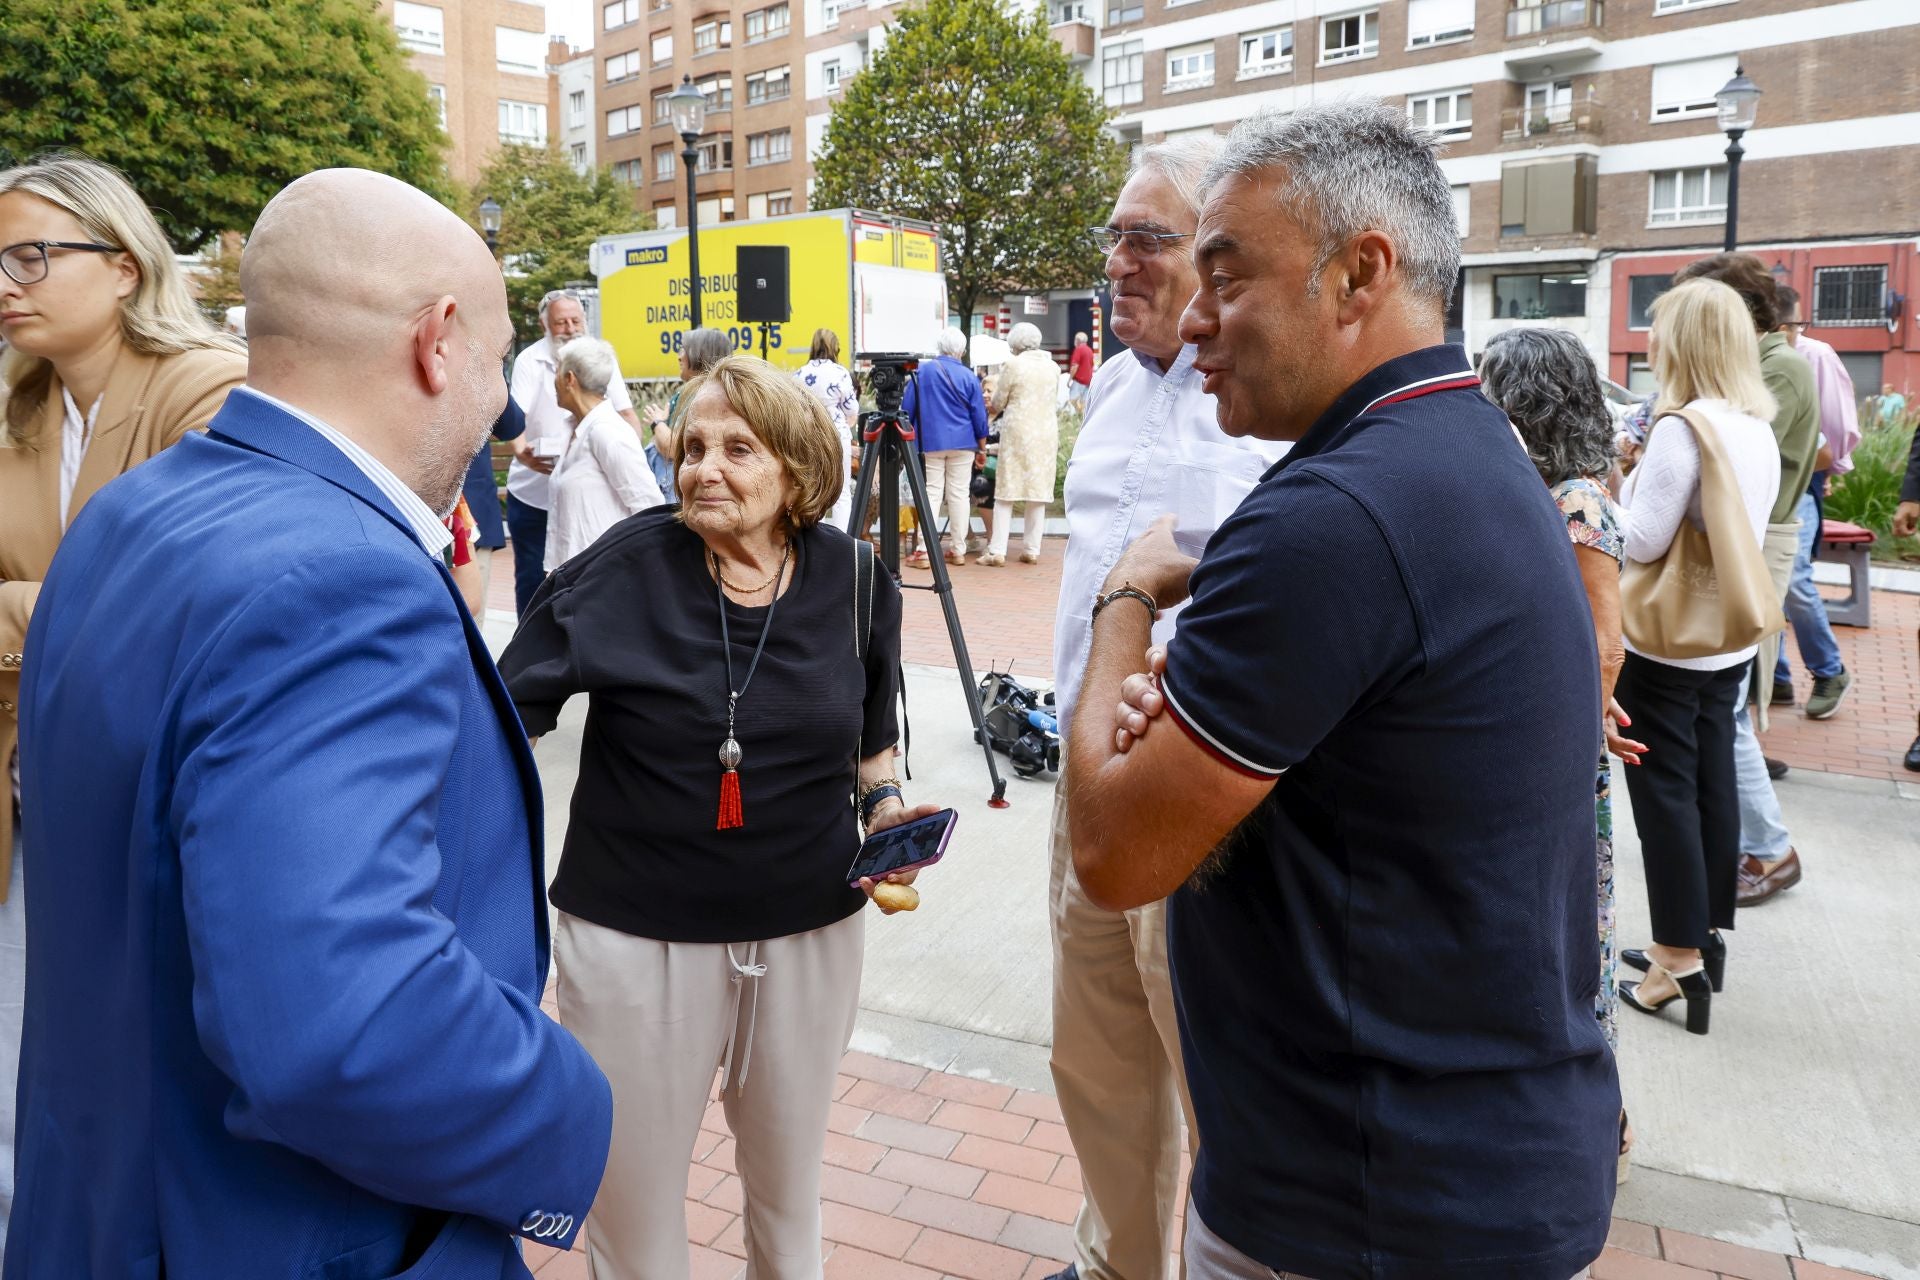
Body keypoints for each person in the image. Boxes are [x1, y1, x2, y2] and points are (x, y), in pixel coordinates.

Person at [6, 168, 613, 1276]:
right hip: (284, 1234)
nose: (499, 407)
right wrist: (570, 1108)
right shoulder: (346, 579)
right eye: (495, 359)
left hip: (99, 1205)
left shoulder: (127, 512)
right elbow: (344, 1024)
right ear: (437, 341)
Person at [1074, 103, 1617, 1280]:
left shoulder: (1332, 517)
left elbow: (1113, 846)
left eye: (1227, 276)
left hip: (1362, 1205)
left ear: (1360, 273)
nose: (1198, 315)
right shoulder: (1467, 446)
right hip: (1460, 1169)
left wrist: (1126, 601)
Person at [501, 355, 934, 1280]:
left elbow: (872, 743)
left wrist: (888, 814)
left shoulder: (857, 580)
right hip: (635, 940)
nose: (704, 469)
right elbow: (502, 720)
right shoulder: (622, 569)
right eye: (692, 447)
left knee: (788, 1193)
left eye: (739, 449)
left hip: (809, 932)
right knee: (634, 1205)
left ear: (797, 470)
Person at [1047, 137, 1288, 1280]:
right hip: (1085, 767)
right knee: (1095, 1054)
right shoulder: (1108, 384)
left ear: (1216, 256)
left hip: (1198, 788)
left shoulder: (1264, 401)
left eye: (1148, 237)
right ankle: (1120, 1259)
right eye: (1115, 237)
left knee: (1209, 1064)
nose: (1119, 261)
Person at [0, 152, 247, 1249]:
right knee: (24, 1083)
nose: (6, 283)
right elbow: (97, 598)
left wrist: (24, 611)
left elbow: (173, 598)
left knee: (159, 1085)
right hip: (28, 800)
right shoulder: (21, 407)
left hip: (156, 806)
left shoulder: (211, 389)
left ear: (126, 263)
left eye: (30, 255)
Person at [1479, 326, 1648, 1181]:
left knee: (1568, 935)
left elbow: (1603, 642)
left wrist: (1582, 717)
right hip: (1558, 743)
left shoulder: (1576, 499)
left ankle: (1591, 1121)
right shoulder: (1561, 489)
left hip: (1552, 760)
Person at [1611, 278, 1781, 1037]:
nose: (1650, 343)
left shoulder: (1684, 428)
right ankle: (1701, 934)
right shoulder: (1753, 424)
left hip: (1667, 643)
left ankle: (1675, 956)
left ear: (1681, 342)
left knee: (1665, 797)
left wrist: (1603, 491)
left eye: (1660, 330)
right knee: (1712, 784)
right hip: (1726, 638)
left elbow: (1642, 540)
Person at [1668, 254, 1817, 902]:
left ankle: (1770, 848)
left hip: (1754, 539)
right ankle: (1753, 845)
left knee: (1724, 710)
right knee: (1724, 707)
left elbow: (1723, 469)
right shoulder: (1773, 364)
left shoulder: (1775, 368)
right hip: (1752, 538)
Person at [506, 288, 641, 616]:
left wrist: (628, 454)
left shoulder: (599, 365)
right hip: (533, 492)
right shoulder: (530, 360)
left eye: (575, 320)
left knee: (582, 582)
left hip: (584, 497)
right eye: (561, 322)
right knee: (533, 580)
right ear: (545, 325)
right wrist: (521, 451)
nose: (570, 328)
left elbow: (626, 414)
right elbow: (515, 416)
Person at [1770, 285, 1859, 721]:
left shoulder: (1814, 355)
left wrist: (1822, 469)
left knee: (1794, 582)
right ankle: (1776, 676)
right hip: (1763, 483)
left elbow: (1839, 433)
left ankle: (1829, 671)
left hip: (1802, 477)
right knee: (1766, 580)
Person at [544, 336, 667, 572]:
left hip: (601, 575)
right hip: (571, 574)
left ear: (570, 379)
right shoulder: (573, 428)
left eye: (557, 370)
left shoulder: (607, 431)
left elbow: (648, 507)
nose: (554, 378)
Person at [902, 327, 990, 567]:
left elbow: (907, 409)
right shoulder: (969, 376)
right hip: (963, 442)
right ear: (962, 350)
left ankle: (924, 550)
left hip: (931, 441)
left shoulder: (922, 372)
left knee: (931, 493)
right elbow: (979, 416)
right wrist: (982, 448)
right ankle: (958, 549)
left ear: (939, 347)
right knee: (959, 494)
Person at [983, 322, 1061, 566]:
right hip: (1046, 432)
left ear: (1015, 343)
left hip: (1017, 431)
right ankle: (1031, 549)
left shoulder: (1013, 365)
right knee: (1037, 492)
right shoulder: (1053, 367)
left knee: (1006, 491)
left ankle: (997, 550)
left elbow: (998, 401)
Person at [461, 377, 527, 614]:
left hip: (472, 510)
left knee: (471, 617)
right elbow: (513, 426)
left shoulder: (480, 367)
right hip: (465, 506)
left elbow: (512, 425)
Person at [794, 327, 859, 529]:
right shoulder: (840, 373)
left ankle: (815, 537)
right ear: (835, 347)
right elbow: (852, 408)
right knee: (842, 492)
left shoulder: (800, 373)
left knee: (814, 489)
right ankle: (842, 540)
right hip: (838, 435)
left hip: (810, 436)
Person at [1067, 330, 1095, 411]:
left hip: (1079, 381)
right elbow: (1091, 365)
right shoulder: (1090, 350)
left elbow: (1074, 366)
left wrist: (1069, 379)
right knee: (1084, 404)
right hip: (1088, 381)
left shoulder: (1078, 349)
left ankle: (1076, 415)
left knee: (1072, 401)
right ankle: (1080, 416)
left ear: (1078, 340)